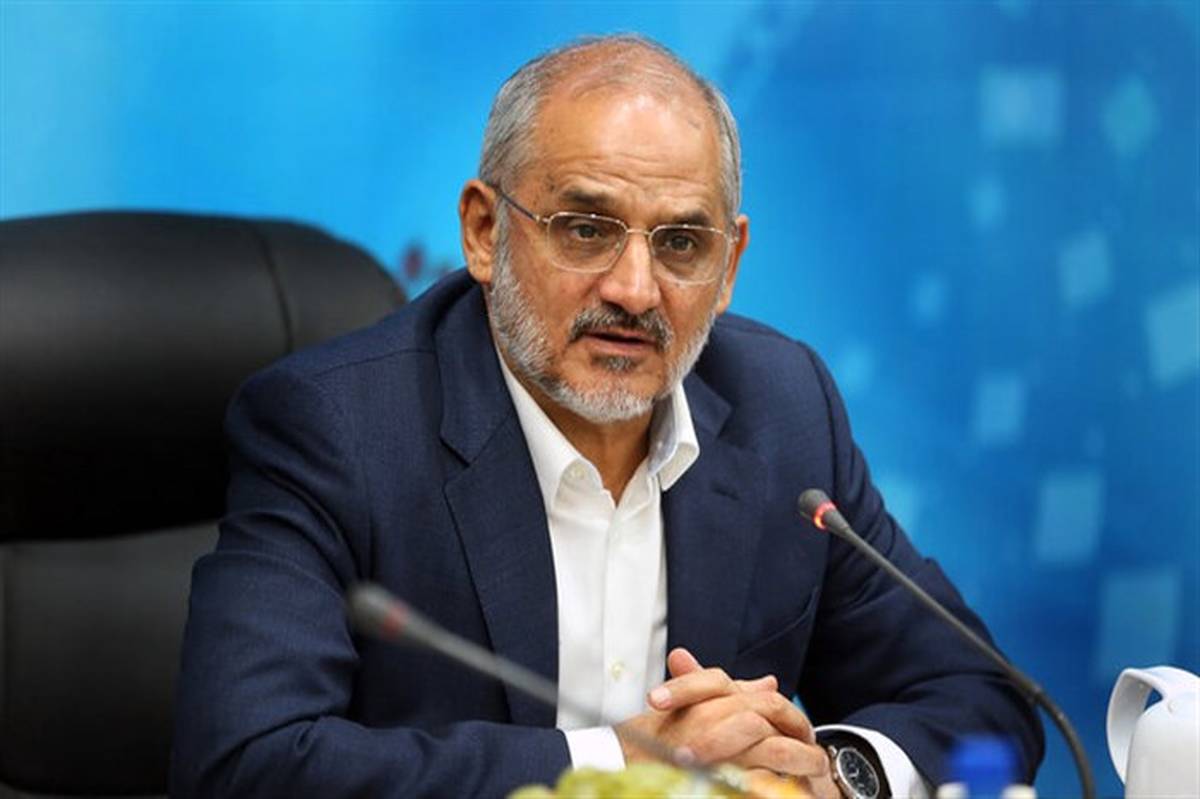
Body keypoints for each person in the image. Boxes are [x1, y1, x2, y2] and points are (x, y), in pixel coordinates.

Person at [171, 34, 1043, 798]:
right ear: (483, 231)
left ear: (730, 265)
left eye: (681, 243)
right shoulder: (337, 428)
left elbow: (985, 698)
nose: (634, 289)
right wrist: (622, 769)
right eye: (586, 228)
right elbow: (244, 764)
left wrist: (829, 771)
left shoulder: (783, 408)